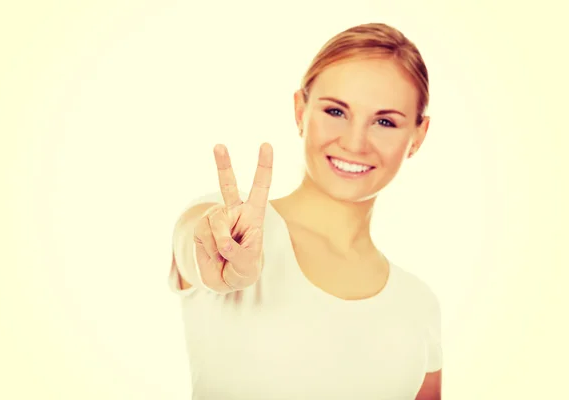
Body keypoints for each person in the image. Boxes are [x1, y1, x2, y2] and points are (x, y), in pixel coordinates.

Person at [168, 22, 442, 400]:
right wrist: (221, 262)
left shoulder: (419, 305)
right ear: (300, 110)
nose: (355, 142)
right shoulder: (232, 227)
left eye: (384, 121)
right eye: (335, 111)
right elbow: (197, 246)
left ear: (418, 135)